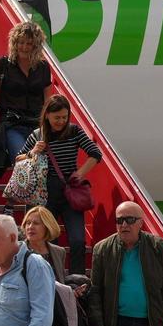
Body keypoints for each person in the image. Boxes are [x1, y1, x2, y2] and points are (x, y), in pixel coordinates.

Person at [19, 95, 103, 274]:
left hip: (69, 190)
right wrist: (33, 151)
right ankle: (54, 278)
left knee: (78, 240)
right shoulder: (37, 135)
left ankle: (78, 279)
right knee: (50, 240)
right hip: (44, 192)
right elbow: (18, 159)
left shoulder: (74, 131)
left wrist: (80, 173)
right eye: (57, 117)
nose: (61, 121)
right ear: (47, 115)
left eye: (65, 117)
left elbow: (95, 153)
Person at [0, 20, 53, 162]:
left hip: (37, 125)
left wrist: (50, 122)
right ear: (15, 43)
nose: (24, 47)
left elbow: (49, 99)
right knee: (22, 161)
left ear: (35, 45)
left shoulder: (43, 67)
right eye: (21, 42)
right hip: (12, 124)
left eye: (29, 43)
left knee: (41, 164)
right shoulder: (4, 64)